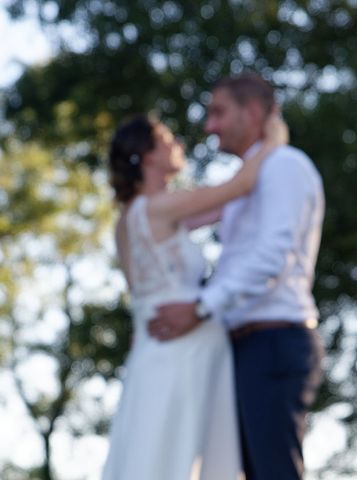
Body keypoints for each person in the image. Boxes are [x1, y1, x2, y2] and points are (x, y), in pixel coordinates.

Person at [149, 73, 325, 480]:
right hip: (245, 347)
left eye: (218, 113)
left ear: (252, 112)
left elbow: (271, 257)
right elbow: (179, 220)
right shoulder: (243, 182)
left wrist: (200, 308)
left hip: (274, 340)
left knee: (274, 471)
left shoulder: (284, 166)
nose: (209, 126)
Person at [102, 110, 288, 480]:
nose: (179, 145)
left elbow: (224, 206)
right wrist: (275, 141)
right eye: (169, 140)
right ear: (150, 155)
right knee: (177, 456)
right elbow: (239, 188)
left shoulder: (129, 220)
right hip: (184, 348)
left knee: (154, 450)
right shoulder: (159, 207)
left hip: (152, 352)